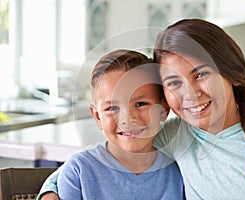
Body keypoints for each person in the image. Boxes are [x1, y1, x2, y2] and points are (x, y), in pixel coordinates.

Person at [39, 19, 245, 200]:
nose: (190, 93)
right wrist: (50, 191)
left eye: (201, 74)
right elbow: (90, 165)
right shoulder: (176, 136)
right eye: (174, 82)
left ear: (231, 73)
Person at [41, 49, 185, 200]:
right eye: (112, 108)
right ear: (97, 116)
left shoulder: (178, 172)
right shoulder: (78, 171)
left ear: (163, 110)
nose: (128, 118)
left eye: (141, 104)